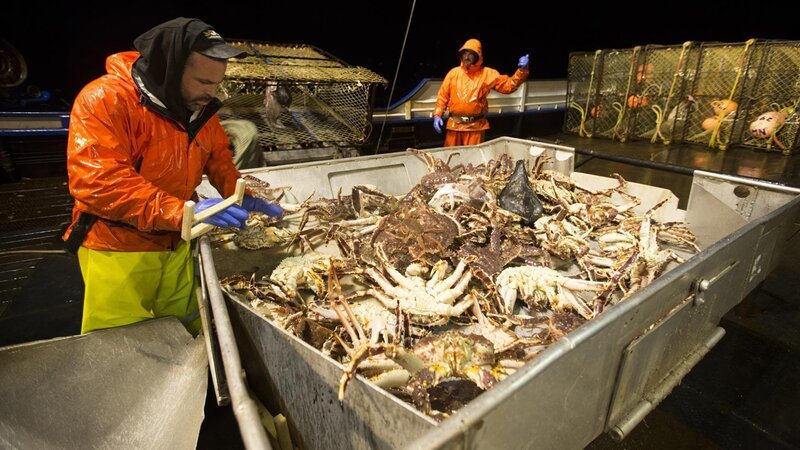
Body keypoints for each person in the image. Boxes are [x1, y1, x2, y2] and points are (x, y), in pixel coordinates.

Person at [63, 17, 282, 335]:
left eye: (217, 83)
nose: (212, 92)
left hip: (176, 241)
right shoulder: (105, 100)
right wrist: (183, 212)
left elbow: (218, 157)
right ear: (168, 69)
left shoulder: (197, 108)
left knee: (188, 324)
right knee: (121, 345)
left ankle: (197, 380)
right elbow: (99, 182)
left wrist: (242, 194)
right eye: (203, 82)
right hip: (119, 247)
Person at [433, 39, 529, 147]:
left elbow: (508, 86)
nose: (466, 57)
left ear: (477, 55)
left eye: (470, 54)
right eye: (464, 53)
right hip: (454, 126)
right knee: (449, 157)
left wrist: (522, 71)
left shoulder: (487, 74)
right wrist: (437, 115)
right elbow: (443, 96)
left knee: (473, 160)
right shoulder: (453, 73)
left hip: (476, 128)